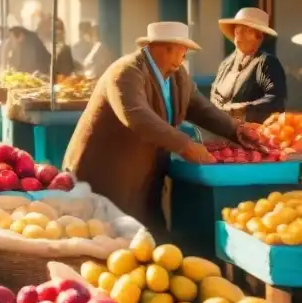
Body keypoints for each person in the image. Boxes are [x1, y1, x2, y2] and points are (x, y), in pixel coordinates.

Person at [64, 22, 255, 232]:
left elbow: (200, 107)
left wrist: (235, 129)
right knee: (107, 241)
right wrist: (185, 145)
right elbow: (137, 116)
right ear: (166, 47)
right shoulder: (126, 72)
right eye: (184, 48)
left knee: (150, 241)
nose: (186, 54)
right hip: (106, 177)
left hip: (145, 179)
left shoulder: (178, 75)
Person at [210, 8, 286, 123]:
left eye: (247, 30)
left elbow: (276, 100)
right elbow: (214, 94)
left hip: (253, 132)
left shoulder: (266, 62)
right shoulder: (226, 64)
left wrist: (243, 108)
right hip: (221, 129)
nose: (239, 34)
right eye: (237, 30)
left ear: (259, 37)